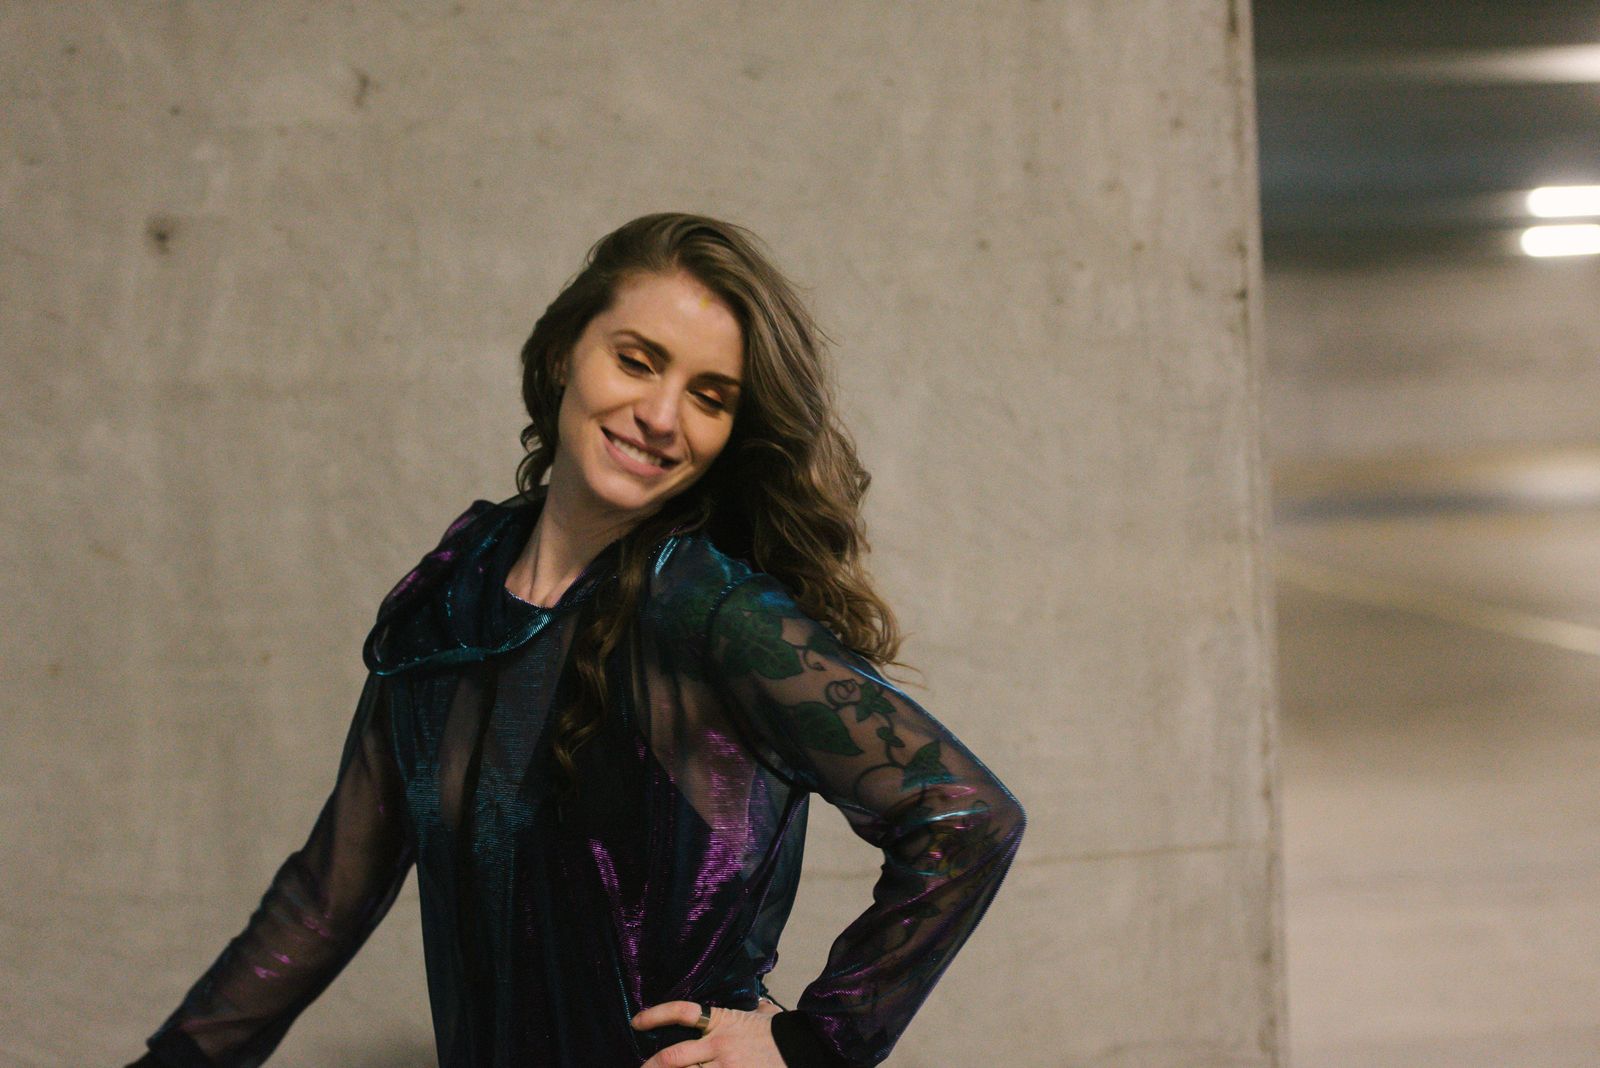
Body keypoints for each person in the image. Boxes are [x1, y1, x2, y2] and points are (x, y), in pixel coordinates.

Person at [127, 213, 1025, 1068]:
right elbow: (328, 896)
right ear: (565, 352)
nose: (662, 415)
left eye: (709, 398)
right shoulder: (451, 601)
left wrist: (811, 1045)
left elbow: (966, 816)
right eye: (637, 361)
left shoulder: (709, 610)